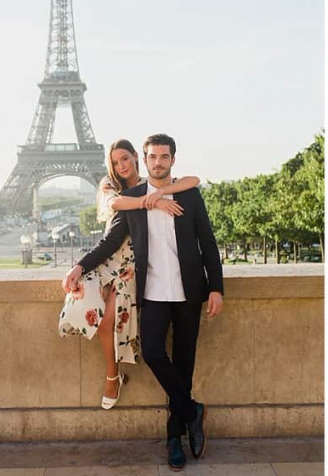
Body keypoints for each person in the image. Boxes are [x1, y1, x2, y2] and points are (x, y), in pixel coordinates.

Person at [63, 133, 223, 472]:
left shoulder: (188, 195)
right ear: (144, 159)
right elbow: (109, 242)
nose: (158, 162)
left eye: (164, 156)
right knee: (152, 352)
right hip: (152, 292)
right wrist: (78, 267)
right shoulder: (133, 199)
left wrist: (216, 288)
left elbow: (207, 242)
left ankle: (173, 438)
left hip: (189, 290)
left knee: (185, 364)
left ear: (173, 160)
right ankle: (192, 411)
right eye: (153, 156)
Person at [59, 139, 200, 409]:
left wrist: (159, 194)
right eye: (115, 162)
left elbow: (193, 181)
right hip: (109, 258)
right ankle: (114, 375)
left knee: (108, 320)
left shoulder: (152, 184)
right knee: (90, 306)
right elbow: (115, 209)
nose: (121, 166)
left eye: (125, 158)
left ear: (136, 157)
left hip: (135, 264)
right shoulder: (111, 186)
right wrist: (154, 203)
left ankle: (114, 377)